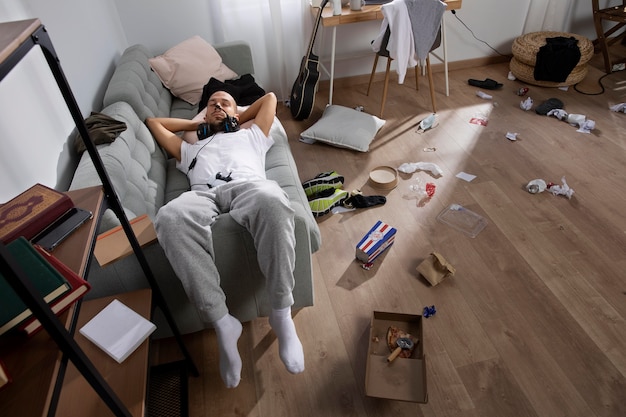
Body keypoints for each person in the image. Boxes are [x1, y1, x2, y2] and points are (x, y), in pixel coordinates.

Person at [145, 91, 304, 388]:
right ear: (203, 115)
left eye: (225, 102)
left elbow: (269, 98)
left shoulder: (253, 133)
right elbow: (153, 121)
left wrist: (232, 120)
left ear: (237, 111)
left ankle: (281, 313)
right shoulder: (191, 148)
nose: (217, 105)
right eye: (211, 104)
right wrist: (204, 125)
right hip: (202, 195)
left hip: (249, 186)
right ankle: (222, 323)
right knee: (169, 218)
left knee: (274, 201)